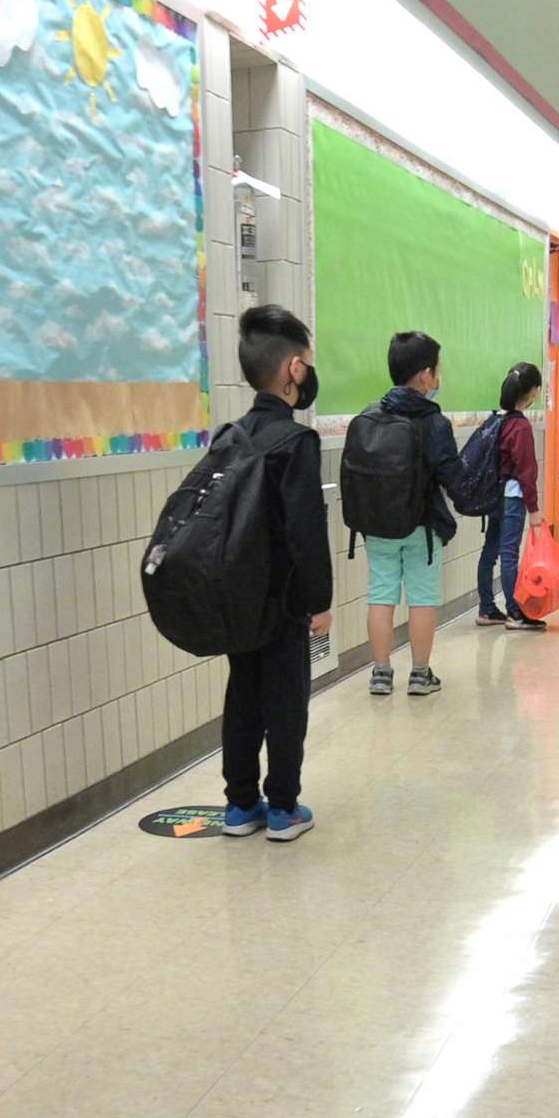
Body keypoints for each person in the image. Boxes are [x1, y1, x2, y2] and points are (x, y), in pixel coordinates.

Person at [220, 305, 333, 841]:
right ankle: (283, 808)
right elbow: (306, 532)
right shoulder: (295, 442)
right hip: (283, 599)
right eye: (307, 364)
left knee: (243, 692)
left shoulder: (229, 436)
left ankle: (241, 806)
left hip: (236, 597)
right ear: (293, 370)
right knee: (286, 698)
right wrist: (320, 601)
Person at [359, 330, 473, 697]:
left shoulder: (370, 416)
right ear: (425, 375)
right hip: (421, 526)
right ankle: (420, 676)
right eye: (437, 370)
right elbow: (452, 477)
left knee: (380, 594)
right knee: (422, 598)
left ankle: (380, 674)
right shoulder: (434, 422)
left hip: (377, 525)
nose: (438, 377)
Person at [476, 361, 547, 631]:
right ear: (532, 392)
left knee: (490, 551)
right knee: (509, 555)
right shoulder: (521, 427)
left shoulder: (497, 420)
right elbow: (526, 472)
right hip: (513, 497)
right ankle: (515, 613)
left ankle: (486, 608)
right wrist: (534, 509)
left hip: (495, 495)